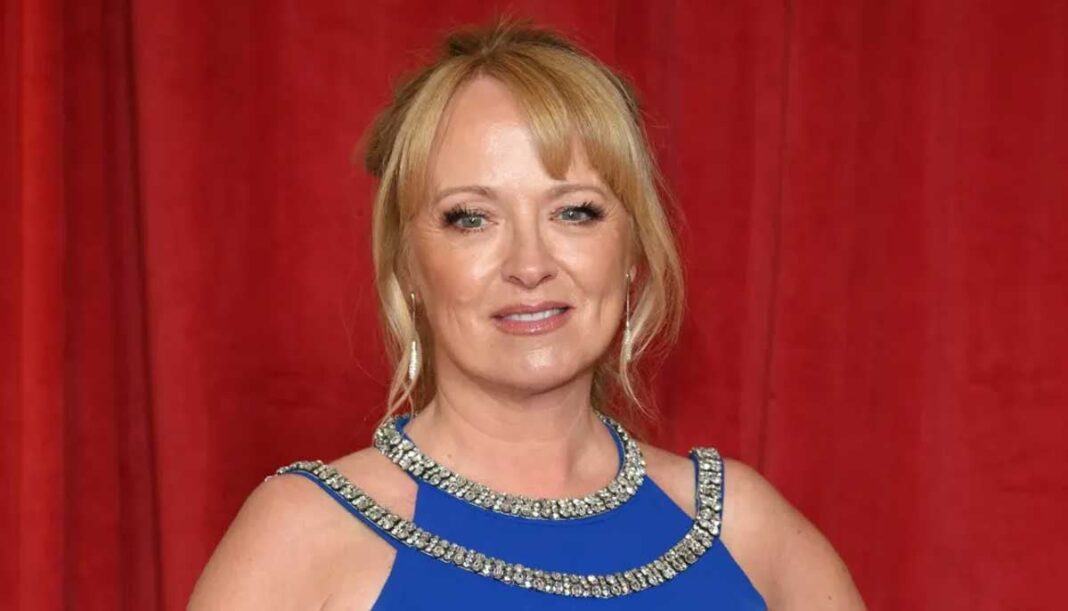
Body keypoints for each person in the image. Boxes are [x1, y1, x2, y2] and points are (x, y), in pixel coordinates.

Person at [188, 20, 865, 610]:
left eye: (575, 211)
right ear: (408, 264)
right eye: (470, 218)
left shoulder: (744, 532)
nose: (530, 263)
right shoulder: (304, 534)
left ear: (633, 252)